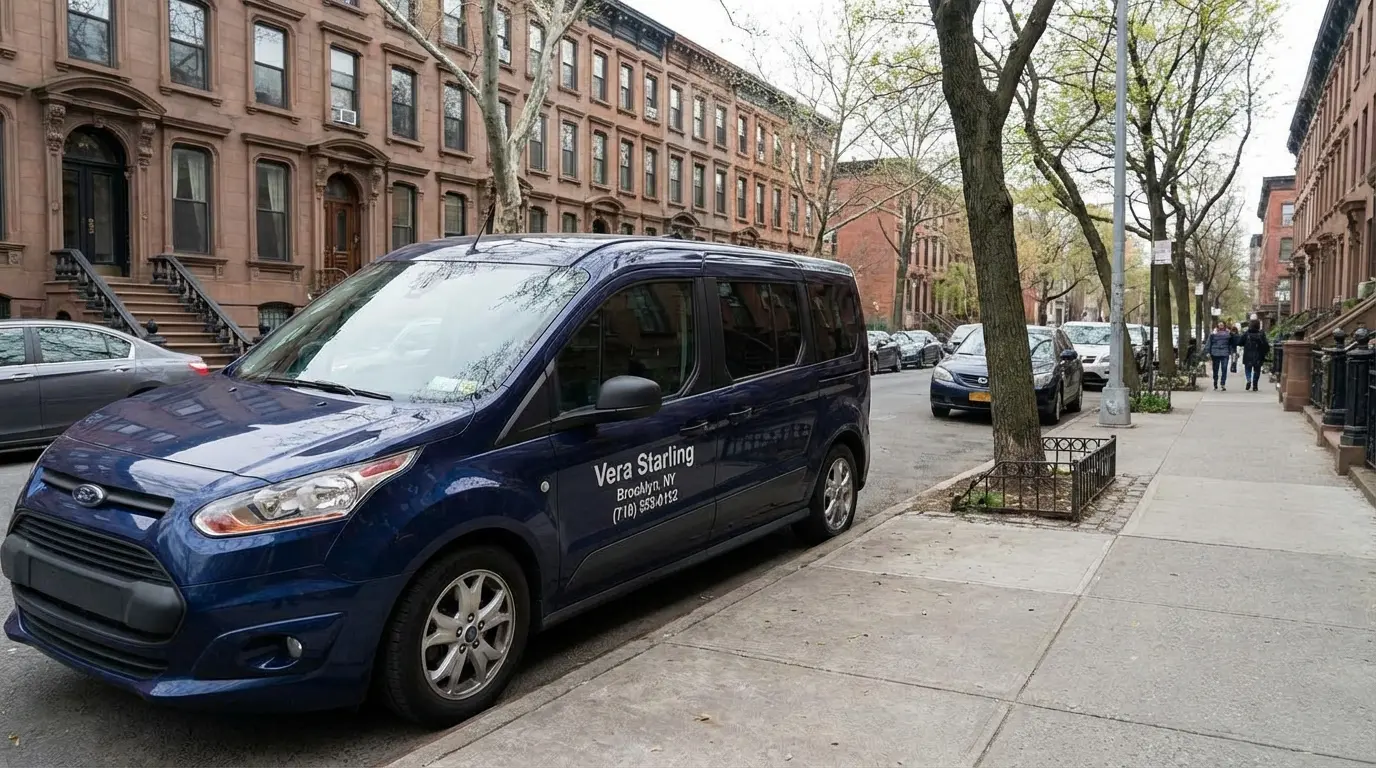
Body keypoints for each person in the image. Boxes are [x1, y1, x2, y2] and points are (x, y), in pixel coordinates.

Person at [1239, 319, 1270, 391]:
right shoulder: (1261, 334)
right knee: (1257, 370)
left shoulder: (1246, 333)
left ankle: (1249, 379)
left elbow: (1240, 342)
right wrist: (1265, 352)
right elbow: (1265, 345)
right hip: (1258, 355)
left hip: (1248, 354)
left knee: (1248, 368)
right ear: (1258, 325)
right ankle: (1255, 384)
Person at [1208, 321, 1236, 390]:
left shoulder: (1228, 333)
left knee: (1224, 368)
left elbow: (1234, 340)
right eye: (1219, 324)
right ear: (1217, 325)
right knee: (1215, 369)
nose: (1220, 325)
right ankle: (1215, 382)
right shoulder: (1213, 333)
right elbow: (1209, 343)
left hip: (1225, 353)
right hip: (1215, 353)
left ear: (1224, 325)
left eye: (1222, 324)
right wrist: (1208, 352)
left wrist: (1230, 332)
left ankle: (1223, 384)